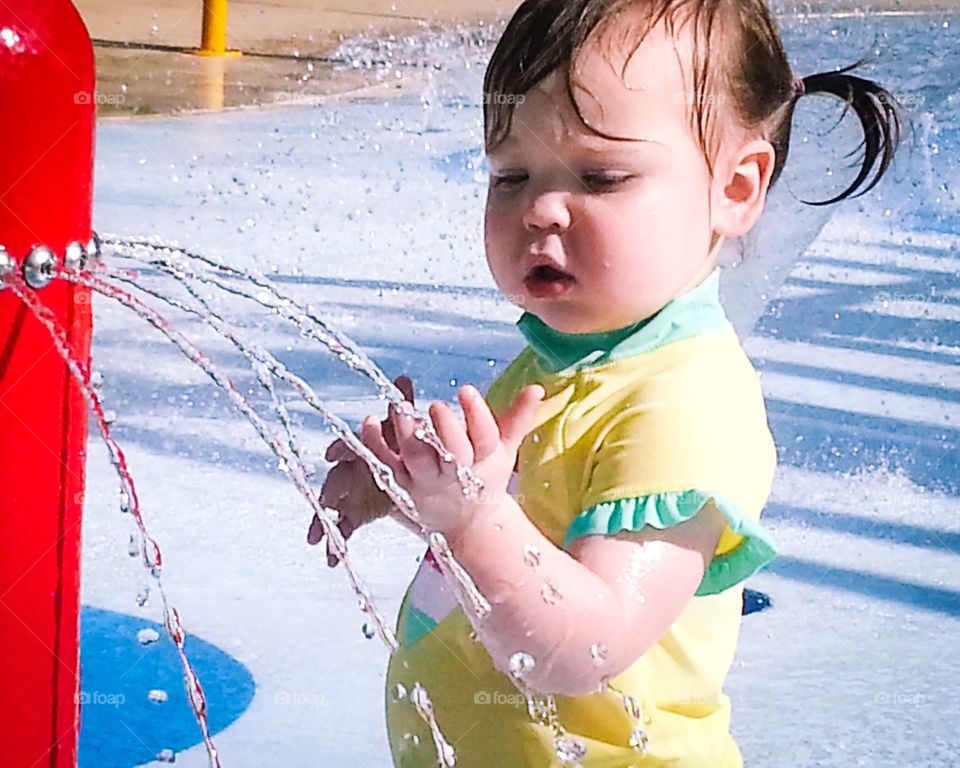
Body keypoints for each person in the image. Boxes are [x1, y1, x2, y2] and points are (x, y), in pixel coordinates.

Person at [308, 1, 900, 764]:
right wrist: (416, 491)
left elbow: (587, 643)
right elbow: (523, 545)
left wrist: (471, 517)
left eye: (601, 176)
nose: (540, 209)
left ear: (738, 187)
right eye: (511, 175)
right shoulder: (561, 360)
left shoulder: (684, 406)